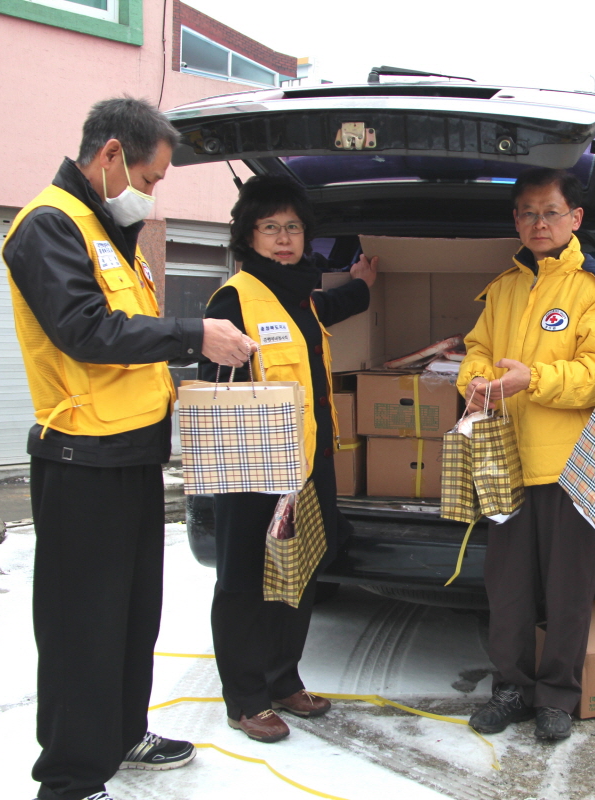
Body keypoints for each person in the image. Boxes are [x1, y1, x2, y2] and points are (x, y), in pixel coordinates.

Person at [3, 97, 256, 800]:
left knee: (132, 614)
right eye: (152, 178)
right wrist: (192, 335)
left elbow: (129, 341)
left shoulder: (106, 231)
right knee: (81, 623)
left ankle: (120, 733)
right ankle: (71, 777)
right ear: (111, 155)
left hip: (134, 455)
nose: (151, 193)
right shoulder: (48, 226)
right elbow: (87, 331)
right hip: (81, 461)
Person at [456, 167, 595, 741]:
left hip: (573, 463)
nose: (539, 222)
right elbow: (477, 349)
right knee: (505, 585)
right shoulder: (504, 287)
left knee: (568, 589)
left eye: (550, 211)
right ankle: (510, 688)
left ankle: (558, 695)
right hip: (505, 458)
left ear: (575, 219)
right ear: (516, 221)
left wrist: (530, 379)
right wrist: (477, 382)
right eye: (528, 213)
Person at [201, 174, 377, 743]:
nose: (283, 238)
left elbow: (326, 309)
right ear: (248, 236)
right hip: (252, 469)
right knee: (245, 581)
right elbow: (214, 392)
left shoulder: (301, 296)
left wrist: (362, 286)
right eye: (270, 227)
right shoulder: (234, 300)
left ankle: (282, 679)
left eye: (293, 228)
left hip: (306, 466)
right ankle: (246, 698)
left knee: (297, 576)